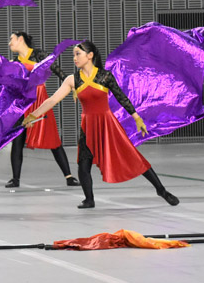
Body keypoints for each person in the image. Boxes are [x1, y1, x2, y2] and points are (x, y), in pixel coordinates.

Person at [27, 41, 179, 209]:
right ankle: (89, 199)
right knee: (83, 164)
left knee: (135, 158)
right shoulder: (73, 79)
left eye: (78, 54)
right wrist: (33, 115)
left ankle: (161, 190)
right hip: (88, 126)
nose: (74, 58)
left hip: (108, 125)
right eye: (74, 55)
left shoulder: (105, 76)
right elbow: (53, 99)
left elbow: (121, 97)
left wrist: (137, 118)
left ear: (90, 55)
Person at [5, 32, 78, 188]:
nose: (9, 43)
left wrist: (72, 86)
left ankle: (69, 176)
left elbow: (59, 72)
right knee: (17, 140)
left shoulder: (39, 55)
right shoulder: (15, 62)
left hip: (39, 101)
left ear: (20, 39)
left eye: (11, 39)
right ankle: (15, 179)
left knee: (53, 139)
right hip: (22, 102)